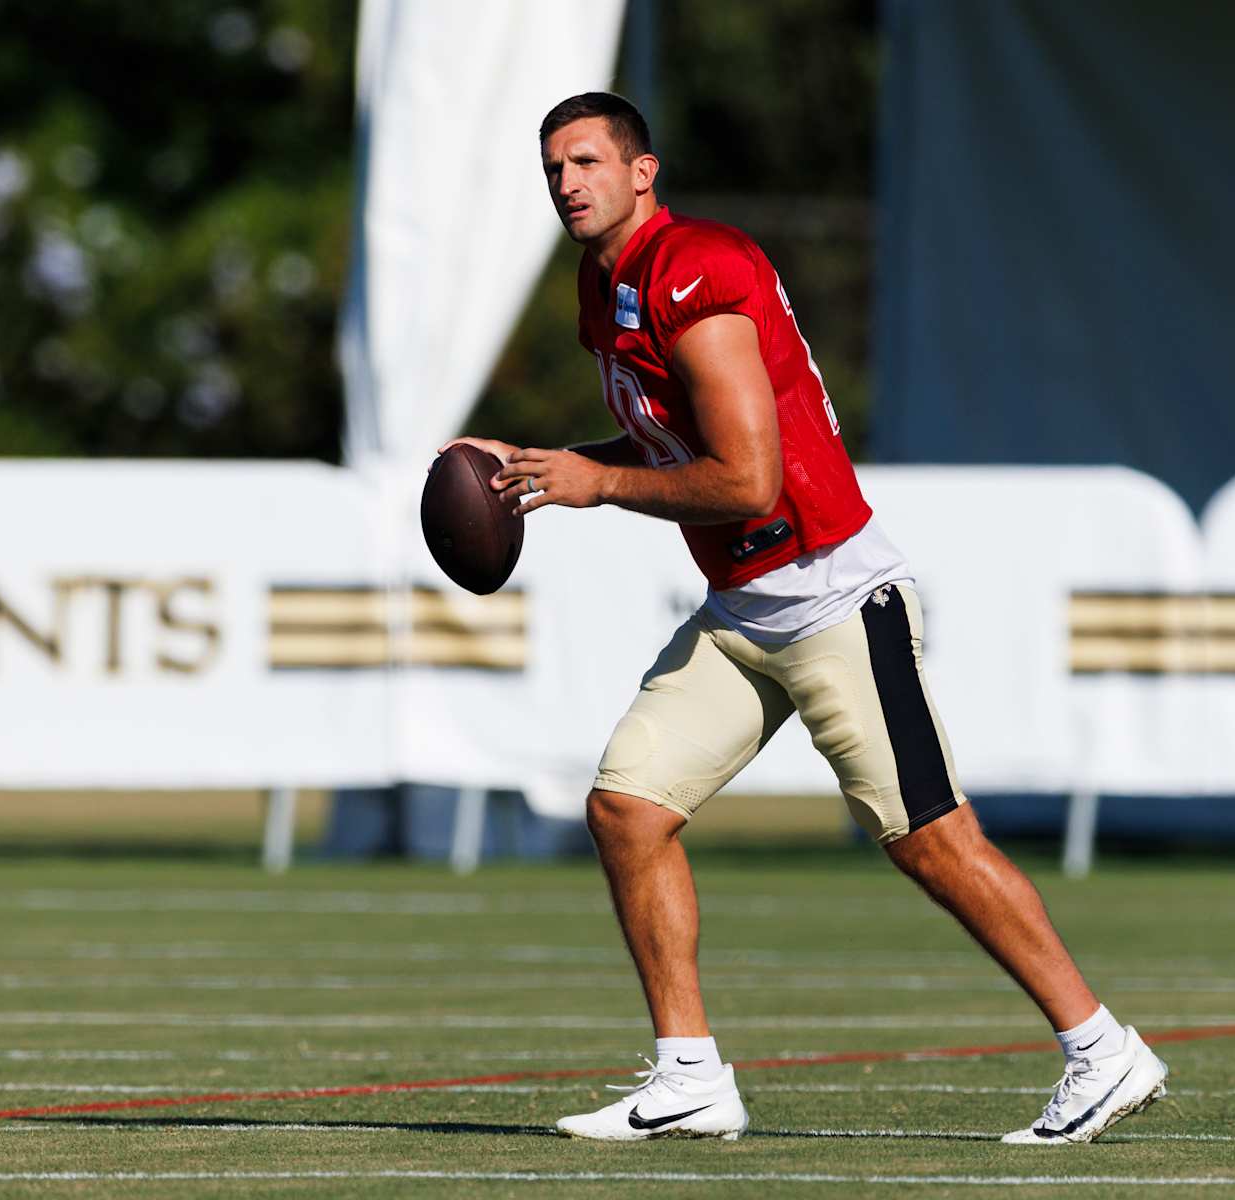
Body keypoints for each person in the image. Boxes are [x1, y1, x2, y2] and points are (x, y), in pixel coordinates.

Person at [441, 91, 1168, 1146]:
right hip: (744, 611)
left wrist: (595, 487)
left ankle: (1104, 1050)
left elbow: (745, 479)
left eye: (588, 162)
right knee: (628, 811)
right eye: (554, 168)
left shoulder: (697, 267)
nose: (568, 185)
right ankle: (690, 1076)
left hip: (832, 595)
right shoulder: (607, 287)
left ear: (644, 172)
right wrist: (554, 463)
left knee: (929, 837)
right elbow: (658, 442)